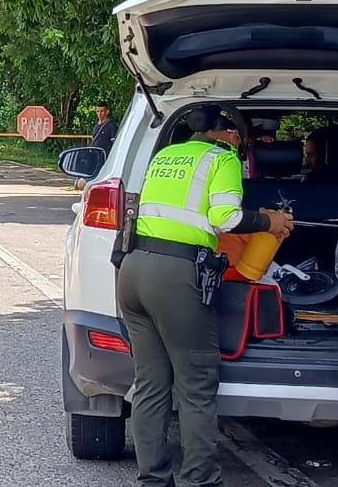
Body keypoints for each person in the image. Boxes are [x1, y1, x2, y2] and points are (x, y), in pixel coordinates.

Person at [118, 105, 293, 487]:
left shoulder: (166, 154)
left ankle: (153, 479)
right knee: (196, 386)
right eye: (239, 138)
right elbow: (225, 218)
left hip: (133, 271)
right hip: (176, 276)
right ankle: (201, 481)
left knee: (150, 383)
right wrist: (270, 221)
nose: (240, 145)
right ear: (229, 133)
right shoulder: (222, 158)